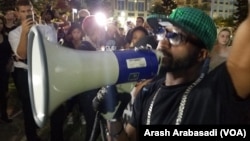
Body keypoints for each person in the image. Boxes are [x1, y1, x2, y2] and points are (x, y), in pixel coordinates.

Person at [94, 6, 250, 141]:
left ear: (201, 54)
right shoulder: (147, 92)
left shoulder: (215, 94)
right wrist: (113, 117)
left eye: (175, 36)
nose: (162, 42)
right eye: (162, 32)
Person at [8, 0, 64, 140]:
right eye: (23, 11)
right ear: (17, 14)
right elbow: (22, 55)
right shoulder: (14, 34)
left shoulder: (46, 29)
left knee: (56, 107)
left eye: (29, 11)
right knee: (29, 108)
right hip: (25, 73)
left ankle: (56, 137)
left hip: (45, 71)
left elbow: (52, 51)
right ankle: (32, 136)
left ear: (33, 11)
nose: (27, 14)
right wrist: (24, 34)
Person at [0, 15, 13, 123]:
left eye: (0, 23)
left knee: (4, 93)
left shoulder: (6, 37)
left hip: (4, 69)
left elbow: (10, 52)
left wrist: (9, 63)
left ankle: (4, 115)